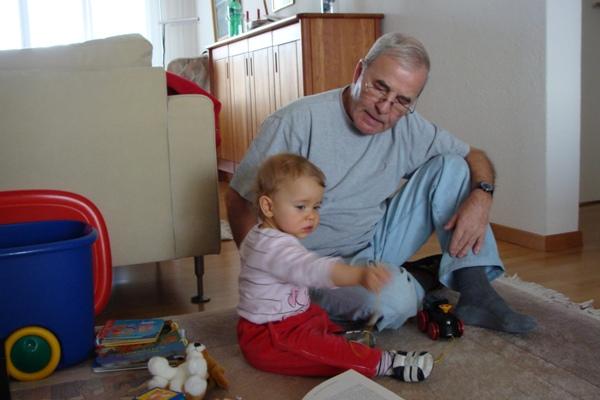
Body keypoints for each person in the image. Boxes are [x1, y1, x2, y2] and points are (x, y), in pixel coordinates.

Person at [227, 32, 536, 334]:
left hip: (375, 242)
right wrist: (262, 272)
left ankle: (475, 292)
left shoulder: (409, 127)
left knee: (454, 165)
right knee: (395, 303)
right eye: (379, 87)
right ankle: (419, 277)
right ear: (359, 72)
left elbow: (474, 156)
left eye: (402, 101)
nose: (384, 108)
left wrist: (482, 198)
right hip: (309, 265)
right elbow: (240, 199)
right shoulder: (295, 122)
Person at [237, 153, 434, 382]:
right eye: (301, 207)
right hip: (269, 335)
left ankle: (342, 342)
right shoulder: (270, 248)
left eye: (316, 207)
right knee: (325, 353)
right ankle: (385, 363)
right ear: (268, 206)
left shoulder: (266, 235)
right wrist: (357, 275)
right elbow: (311, 269)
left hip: (294, 317)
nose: (311, 216)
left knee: (319, 319)